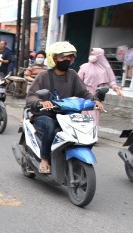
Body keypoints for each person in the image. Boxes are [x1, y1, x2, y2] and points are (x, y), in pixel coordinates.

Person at [27, 41, 102, 174]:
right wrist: (41, 102)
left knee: (86, 129)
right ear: (53, 58)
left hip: (67, 115)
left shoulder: (72, 75)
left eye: (69, 57)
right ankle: (44, 158)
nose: (66, 60)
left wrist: (95, 100)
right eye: (63, 57)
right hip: (45, 115)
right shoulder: (43, 76)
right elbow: (31, 96)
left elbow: (83, 92)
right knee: (50, 126)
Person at [78, 47, 126, 125]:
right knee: (83, 116)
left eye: (94, 54)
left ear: (99, 56)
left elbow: (111, 81)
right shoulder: (85, 67)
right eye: (91, 54)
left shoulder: (105, 68)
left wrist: (117, 90)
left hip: (97, 95)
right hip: (84, 94)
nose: (91, 56)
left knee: (93, 117)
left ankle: (92, 135)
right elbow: (78, 81)